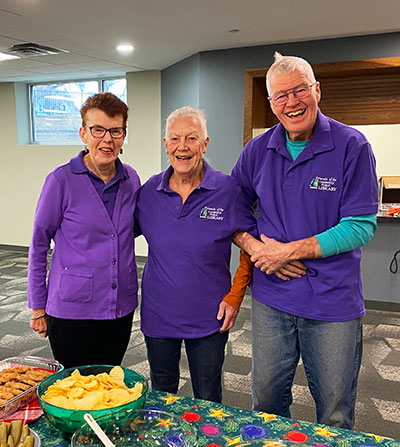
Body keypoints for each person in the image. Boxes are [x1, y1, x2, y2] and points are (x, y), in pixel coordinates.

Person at [231, 52, 378, 428]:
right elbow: (232, 211)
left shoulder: (352, 146)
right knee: (265, 401)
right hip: (272, 298)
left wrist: (287, 251)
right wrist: (257, 249)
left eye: (300, 91)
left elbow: (360, 224)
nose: (292, 102)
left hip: (332, 302)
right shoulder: (256, 151)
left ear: (317, 90)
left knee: (334, 409)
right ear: (270, 105)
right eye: (281, 96)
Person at [134, 106, 255, 403]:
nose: (183, 147)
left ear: (205, 143)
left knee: (208, 395)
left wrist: (236, 295)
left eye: (192, 138)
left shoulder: (228, 190)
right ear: (165, 145)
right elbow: (115, 236)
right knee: (162, 395)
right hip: (159, 314)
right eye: (175, 139)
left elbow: (253, 247)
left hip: (210, 316)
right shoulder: (149, 191)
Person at [28, 92, 140, 369]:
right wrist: (37, 307)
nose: (107, 139)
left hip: (119, 307)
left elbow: (129, 230)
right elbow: (39, 245)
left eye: (116, 131)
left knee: (109, 383)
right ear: (83, 133)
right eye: (98, 129)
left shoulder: (131, 179)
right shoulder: (60, 180)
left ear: (124, 135)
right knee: (73, 391)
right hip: (72, 310)